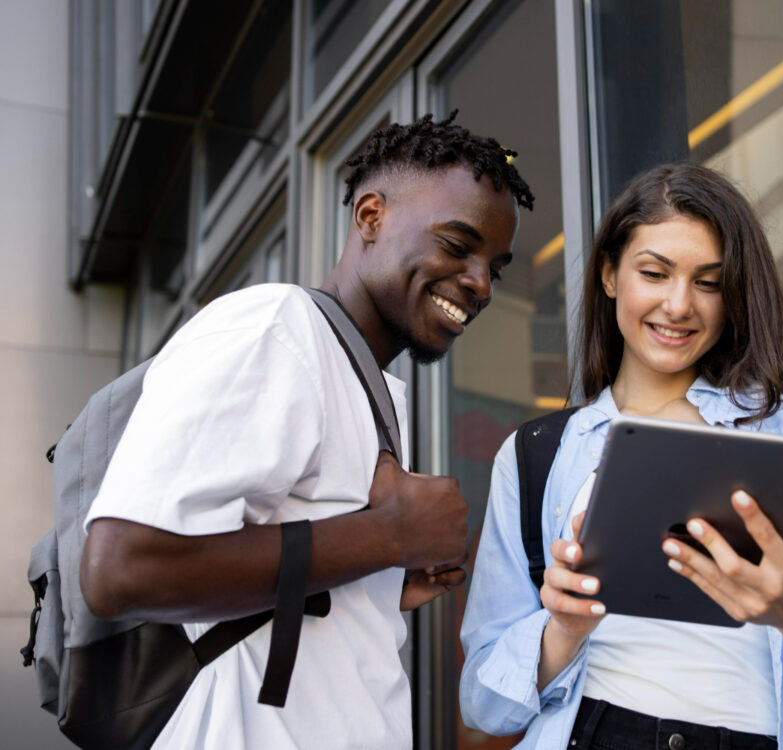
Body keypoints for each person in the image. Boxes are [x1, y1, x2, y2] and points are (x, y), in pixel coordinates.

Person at [79, 112, 533, 749]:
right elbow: (120, 567)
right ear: (370, 216)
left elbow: (282, 573)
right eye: (457, 246)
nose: (481, 283)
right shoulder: (276, 329)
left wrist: (377, 580)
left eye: (496, 265)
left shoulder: (356, 375)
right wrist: (388, 535)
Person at [459, 164, 783, 749]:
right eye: (654, 273)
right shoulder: (537, 455)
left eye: (709, 282)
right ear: (609, 274)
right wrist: (564, 629)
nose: (679, 305)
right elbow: (482, 703)